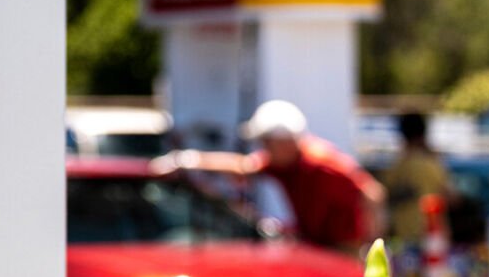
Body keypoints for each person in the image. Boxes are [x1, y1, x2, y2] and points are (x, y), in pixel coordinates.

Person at [159, 99, 384, 255]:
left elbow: (371, 193)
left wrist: (373, 246)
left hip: (342, 250)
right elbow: (243, 166)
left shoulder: (322, 163)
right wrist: (189, 159)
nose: (263, 148)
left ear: (285, 141)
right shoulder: (282, 163)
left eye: (267, 142)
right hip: (316, 246)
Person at [382, 112, 455, 247]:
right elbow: (450, 196)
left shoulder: (400, 164)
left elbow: (384, 196)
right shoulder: (434, 162)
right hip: (434, 235)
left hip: (405, 236)